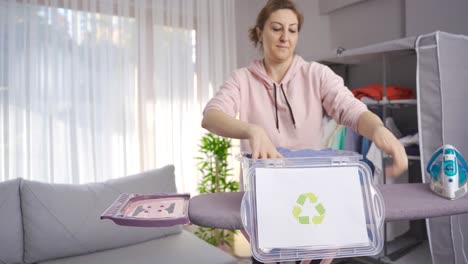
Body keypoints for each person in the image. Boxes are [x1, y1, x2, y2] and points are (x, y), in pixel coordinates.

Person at [201, 0, 408, 263]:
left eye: (293, 30)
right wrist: (252, 130)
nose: (285, 37)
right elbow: (211, 116)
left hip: (311, 199)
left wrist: (377, 128)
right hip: (267, 201)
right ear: (260, 31)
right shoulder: (241, 79)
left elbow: (351, 109)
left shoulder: (316, 74)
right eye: (276, 28)